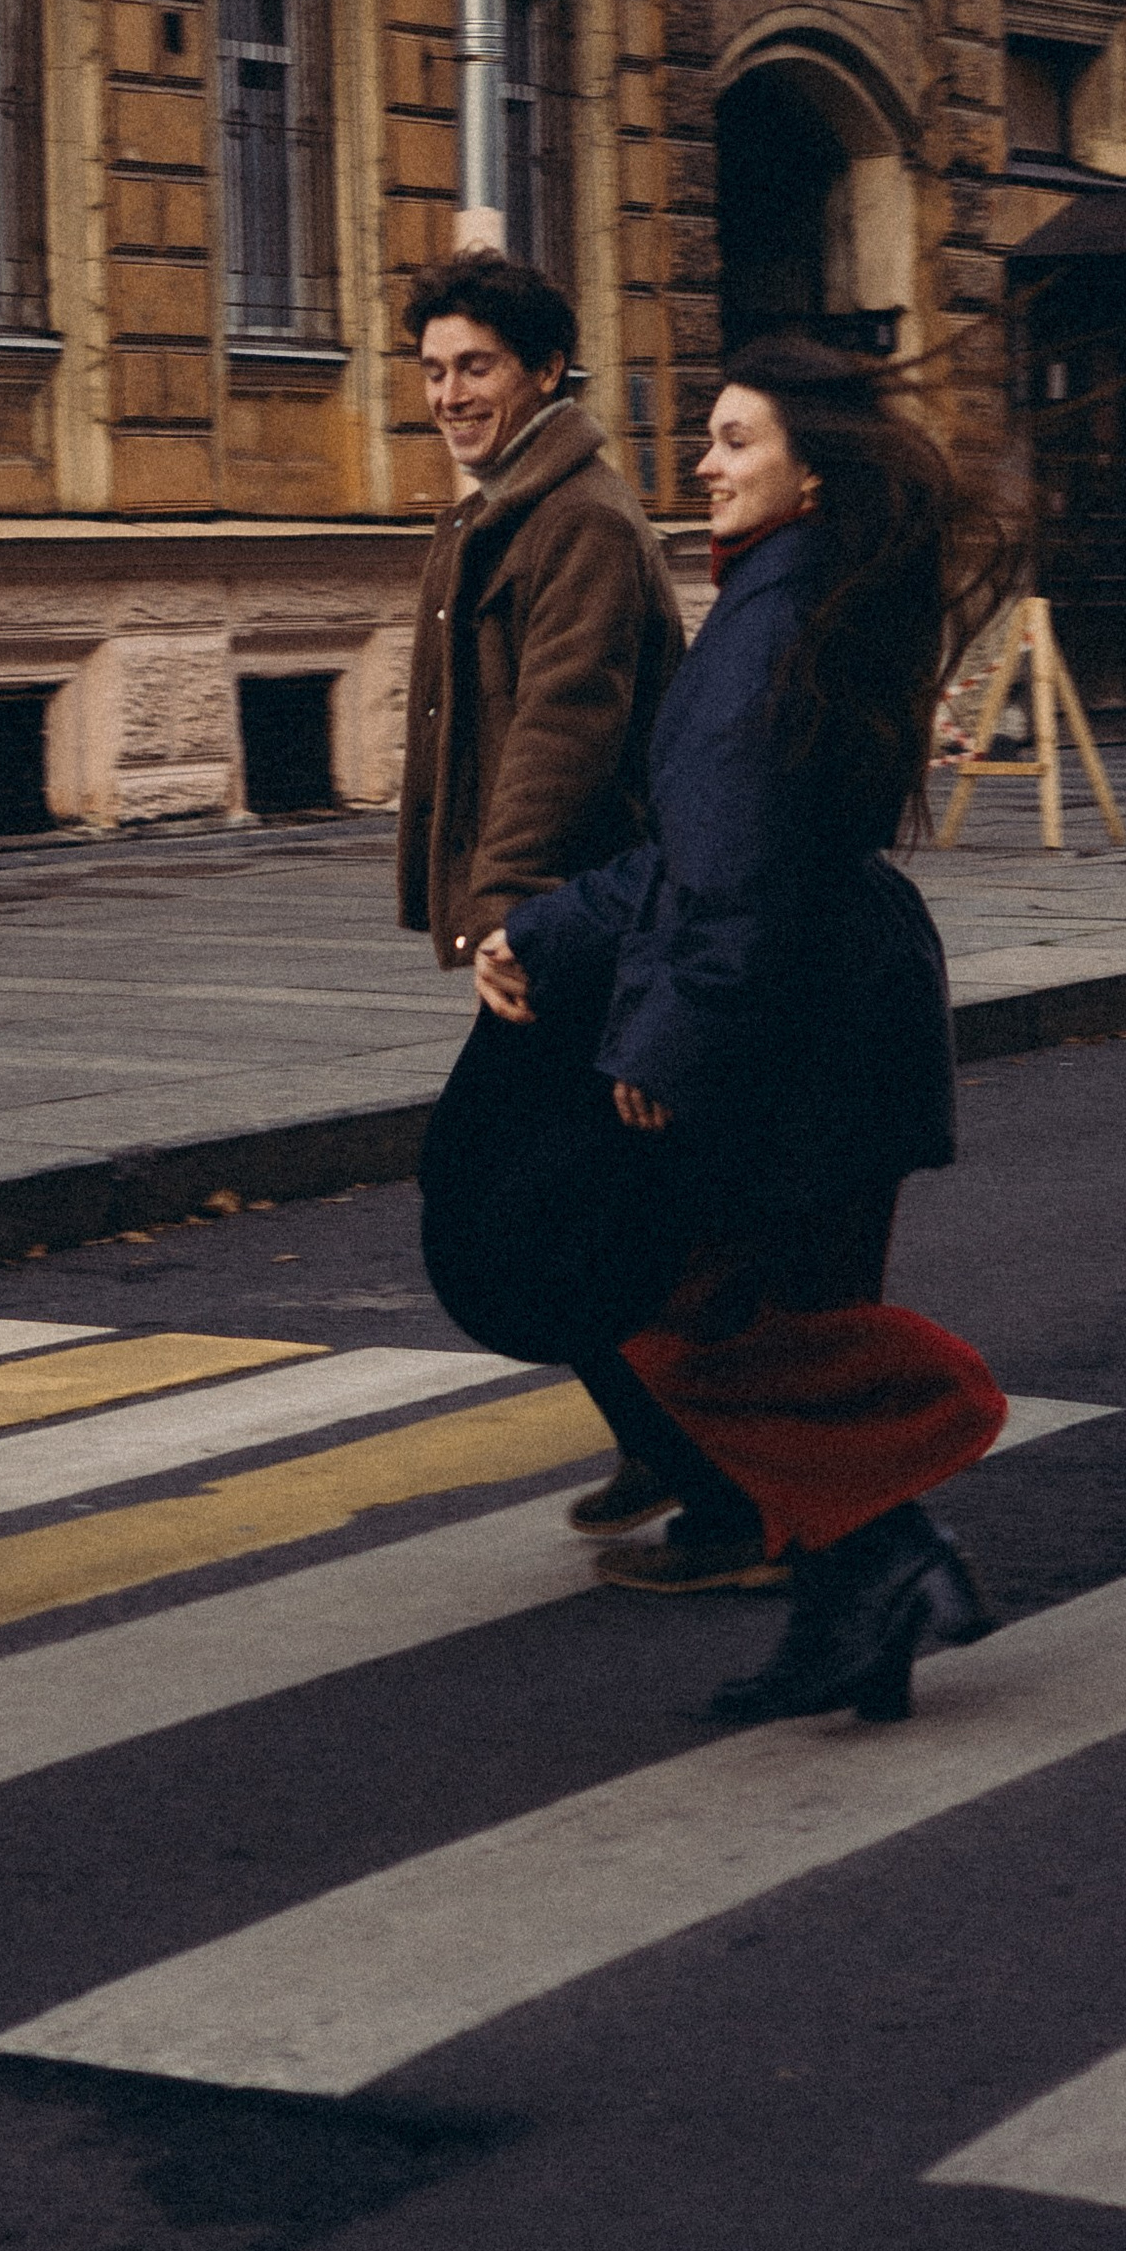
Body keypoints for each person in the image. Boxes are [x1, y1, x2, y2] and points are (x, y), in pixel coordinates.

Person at [438, 335, 1013, 1727]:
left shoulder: (772, 618)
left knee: (691, 1322)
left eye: (736, 439)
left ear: (813, 474)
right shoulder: (803, 590)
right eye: (709, 437)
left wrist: (666, 1045)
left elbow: (730, 871)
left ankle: (906, 1504)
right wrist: (549, 930)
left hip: (788, 1028)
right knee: (769, 1312)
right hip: (833, 1011)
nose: (703, 463)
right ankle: (860, 1606)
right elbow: (707, 848)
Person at [394, 255, 725, 1558]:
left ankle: (711, 1464)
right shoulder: (507, 505)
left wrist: (510, 909)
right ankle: (664, 1442)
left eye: (475, 365)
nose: (449, 393)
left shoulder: (575, 517)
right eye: (432, 370)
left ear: (542, 370)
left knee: (509, 1200)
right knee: (550, 1204)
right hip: (561, 922)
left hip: (581, 924)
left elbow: (565, 722)